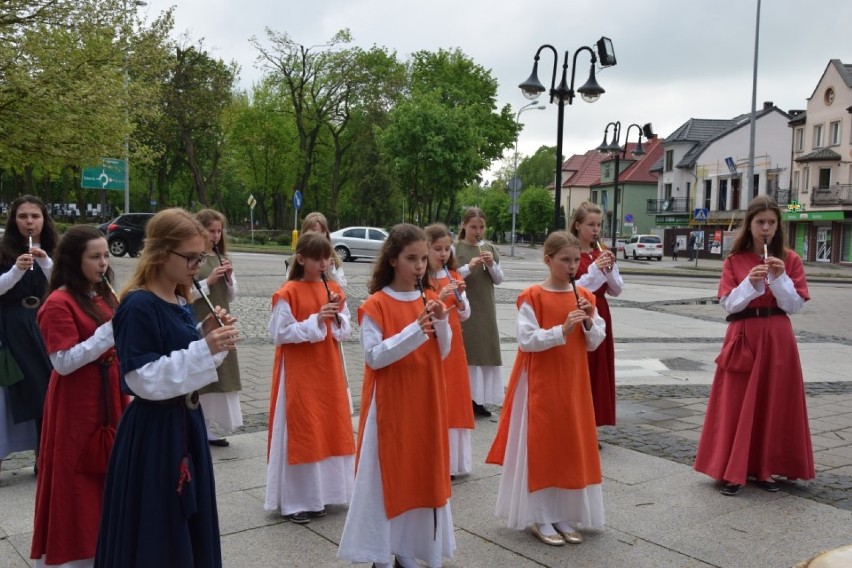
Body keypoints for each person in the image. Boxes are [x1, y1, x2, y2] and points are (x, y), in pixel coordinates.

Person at [94, 208, 240, 567]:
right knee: (159, 528)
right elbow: (141, 379)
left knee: (187, 522)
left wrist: (207, 338)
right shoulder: (138, 305)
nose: (197, 264)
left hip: (185, 425)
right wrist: (204, 348)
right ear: (161, 253)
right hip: (154, 434)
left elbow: (182, 357)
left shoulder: (179, 301)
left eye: (201, 256)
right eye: (191, 257)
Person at [338, 224, 455, 568]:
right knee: (388, 477)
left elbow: (443, 353)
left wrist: (443, 323)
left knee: (422, 473)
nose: (420, 266)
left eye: (423, 259)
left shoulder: (430, 299)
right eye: (412, 259)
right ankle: (383, 552)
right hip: (391, 405)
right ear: (392, 260)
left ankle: (410, 548)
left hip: (426, 401)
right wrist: (415, 329)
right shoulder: (375, 305)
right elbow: (374, 357)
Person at [486, 231, 606, 546]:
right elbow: (527, 340)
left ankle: (564, 512)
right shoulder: (532, 296)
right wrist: (560, 330)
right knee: (543, 445)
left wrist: (589, 325)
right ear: (548, 260)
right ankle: (540, 515)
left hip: (573, 382)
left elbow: (595, 343)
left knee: (569, 445)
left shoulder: (586, 297)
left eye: (576, 259)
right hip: (540, 382)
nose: (572, 265)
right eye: (565, 260)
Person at [694, 195, 813, 496]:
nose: (766, 228)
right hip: (744, 333)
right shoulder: (734, 261)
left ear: (778, 226)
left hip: (777, 336)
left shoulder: (790, 259)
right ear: (750, 225)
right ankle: (732, 470)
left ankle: (765, 469)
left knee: (774, 401)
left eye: (772, 223)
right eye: (760, 222)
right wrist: (750, 282)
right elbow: (728, 303)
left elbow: (795, 305)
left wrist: (781, 277)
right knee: (736, 401)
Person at [31, 226, 129, 568]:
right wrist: (109, 332)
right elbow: (63, 362)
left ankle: (105, 542)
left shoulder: (102, 295)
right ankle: (78, 554)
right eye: (95, 257)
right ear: (74, 260)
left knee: (109, 472)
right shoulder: (58, 302)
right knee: (77, 479)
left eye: (106, 255)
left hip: (110, 393)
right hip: (77, 402)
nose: (103, 263)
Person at [265, 232, 354, 524]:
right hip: (299, 373)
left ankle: (322, 496)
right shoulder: (288, 291)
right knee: (302, 429)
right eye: (317, 258)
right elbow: (279, 333)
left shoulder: (334, 288)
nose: (324, 263)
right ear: (301, 259)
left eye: (327, 257)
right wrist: (316, 319)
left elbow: (345, 330)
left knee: (327, 427)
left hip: (327, 369)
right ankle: (295, 502)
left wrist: (336, 317)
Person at [0, 195, 57, 469]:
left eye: (35, 216)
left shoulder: (55, 249)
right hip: (12, 324)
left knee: (46, 386)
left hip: (44, 322)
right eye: (23, 216)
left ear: (43, 219)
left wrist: (46, 263)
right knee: (13, 388)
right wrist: (15, 271)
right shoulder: (4, 249)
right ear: (15, 220)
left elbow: (65, 286)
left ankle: (43, 454)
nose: (29, 222)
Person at [425, 223, 474, 477]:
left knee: (454, 399)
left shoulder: (454, 274)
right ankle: (435, 460)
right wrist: (441, 295)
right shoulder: (423, 279)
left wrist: (462, 298)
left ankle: (455, 463)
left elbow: (465, 314)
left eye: (447, 249)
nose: (443, 254)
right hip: (433, 344)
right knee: (437, 397)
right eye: (437, 249)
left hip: (454, 346)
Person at [569, 202, 623, 427]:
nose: (595, 229)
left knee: (599, 369)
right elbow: (574, 288)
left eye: (598, 225)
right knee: (582, 368)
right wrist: (595, 270)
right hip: (580, 311)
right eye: (591, 224)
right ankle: (576, 422)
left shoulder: (599, 253)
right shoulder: (570, 254)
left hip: (601, 311)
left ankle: (593, 422)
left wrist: (608, 270)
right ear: (578, 226)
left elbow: (617, 289)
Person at [191, 209, 242, 448]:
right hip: (201, 318)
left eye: (219, 231)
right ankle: (198, 424)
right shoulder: (193, 258)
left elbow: (232, 294)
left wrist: (229, 278)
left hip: (222, 317)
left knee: (222, 375)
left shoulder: (222, 256)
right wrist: (208, 282)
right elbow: (185, 293)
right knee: (204, 373)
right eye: (211, 231)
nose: (215, 235)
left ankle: (211, 425)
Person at [454, 207, 504, 418]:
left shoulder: (489, 248)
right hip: (464, 307)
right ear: (464, 225)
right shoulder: (455, 249)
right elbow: (448, 277)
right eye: (473, 226)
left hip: (485, 308)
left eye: (481, 227)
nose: (478, 231)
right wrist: (468, 267)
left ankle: (480, 400)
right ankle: (465, 398)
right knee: (468, 353)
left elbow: (499, 279)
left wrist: (492, 265)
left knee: (484, 352)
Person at [286, 212, 346, 286]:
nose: (319, 236)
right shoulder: (295, 260)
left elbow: (341, 286)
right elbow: (290, 286)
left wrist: (331, 270)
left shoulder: (334, 259)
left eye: (322, 232)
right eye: (314, 231)